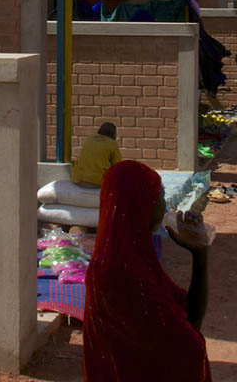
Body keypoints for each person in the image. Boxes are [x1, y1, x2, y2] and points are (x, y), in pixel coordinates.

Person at [84, 160, 212, 381]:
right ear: (141, 204)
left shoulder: (131, 260)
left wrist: (200, 254)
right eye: (160, 197)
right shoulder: (125, 273)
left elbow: (186, 320)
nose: (164, 206)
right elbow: (188, 347)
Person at [72, 122, 122, 187]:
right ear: (113, 135)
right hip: (97, 182)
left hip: (78, 179)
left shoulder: (89, 139)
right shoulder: (112, 144)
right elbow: (118, 166)